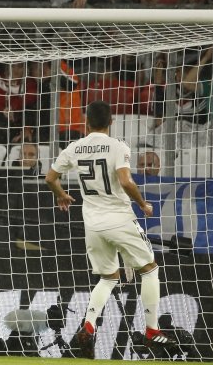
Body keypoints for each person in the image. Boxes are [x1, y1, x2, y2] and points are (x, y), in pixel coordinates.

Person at [44, 100, 177, 358]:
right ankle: (151, 331)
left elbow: (50, 178)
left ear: (86, 122)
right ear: (111, 121)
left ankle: (89, 326)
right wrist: (142, 204)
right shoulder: (118, 146)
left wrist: (60, 194)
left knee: (108, 278)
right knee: (150, 269)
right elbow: (126, 180)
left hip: (92, 224)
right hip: (119, 218)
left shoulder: (75, 147)